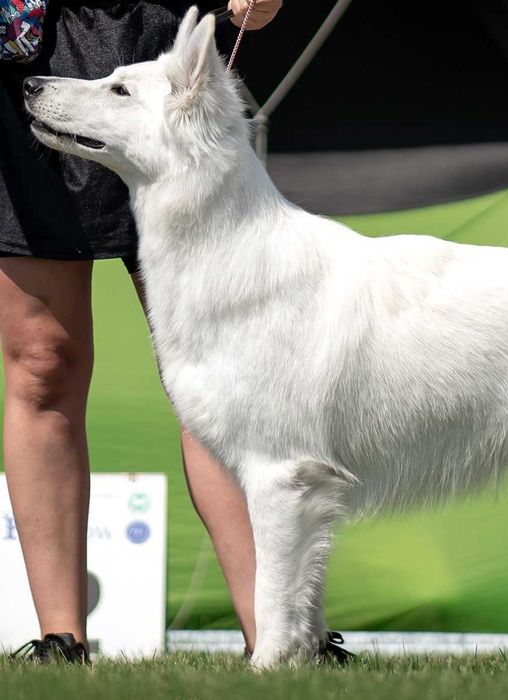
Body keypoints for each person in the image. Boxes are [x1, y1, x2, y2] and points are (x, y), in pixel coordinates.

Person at [1, 0, 280, 662]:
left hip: (165, 65)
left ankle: (279, 636)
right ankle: (60, 641)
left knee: (222, 378)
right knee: (42, 363)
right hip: (26, 57)